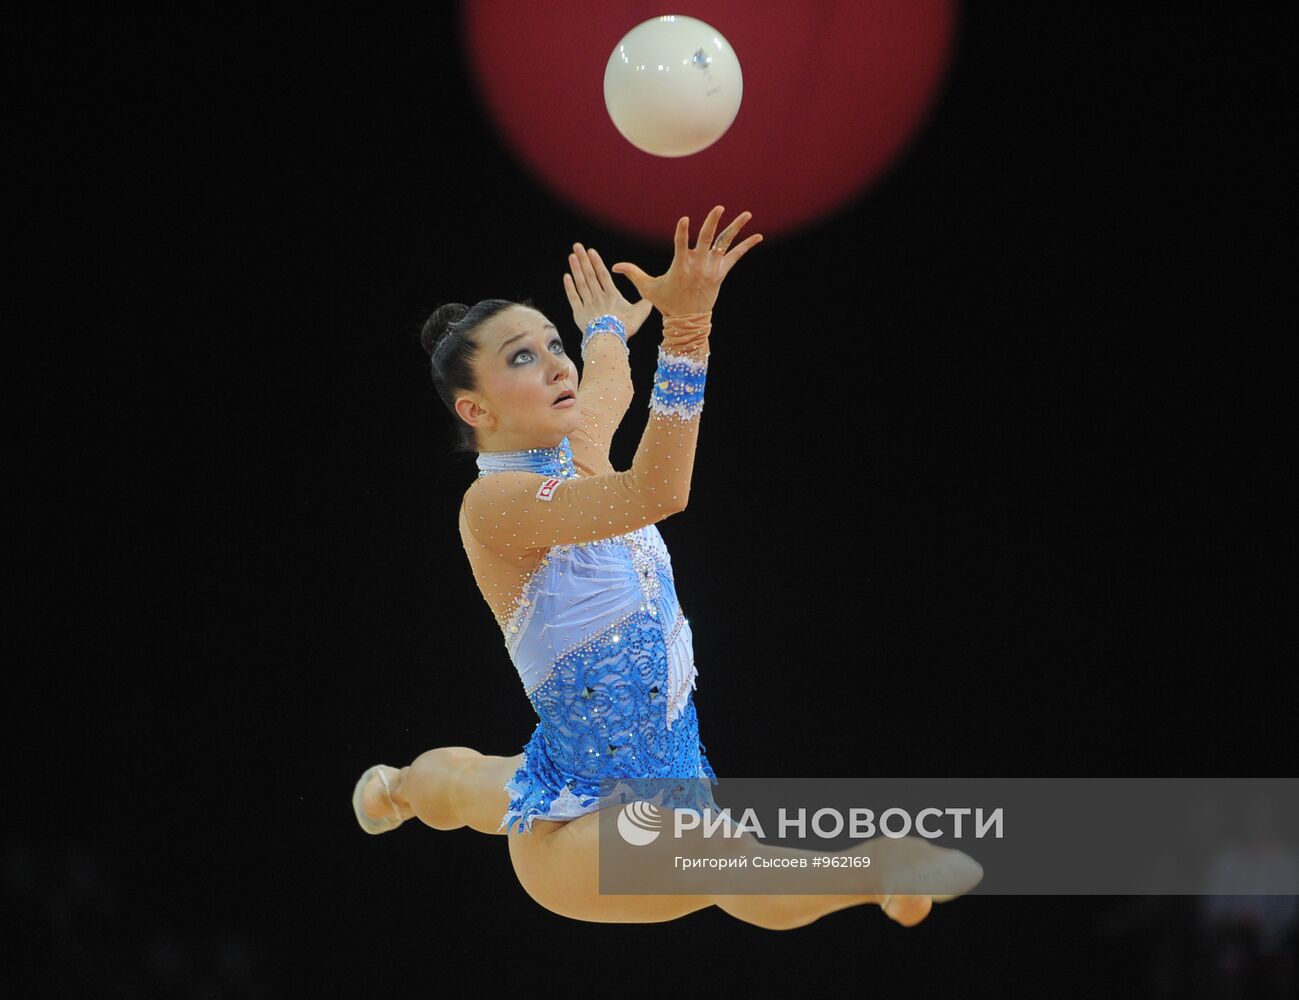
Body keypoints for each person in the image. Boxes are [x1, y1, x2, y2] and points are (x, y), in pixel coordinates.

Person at [352, 206, 981, 928]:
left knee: (472, 784)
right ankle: (874, 870)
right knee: (718, 856)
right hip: (571, 846)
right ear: (474, 407)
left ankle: (400, 790)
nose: (557, 363)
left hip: (653, 787)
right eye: (521, 357)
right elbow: (657, 491)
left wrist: (606, 333)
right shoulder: (494, 505)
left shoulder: (573, 456)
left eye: (553, 343)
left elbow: (605, 387)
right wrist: (686, 330)